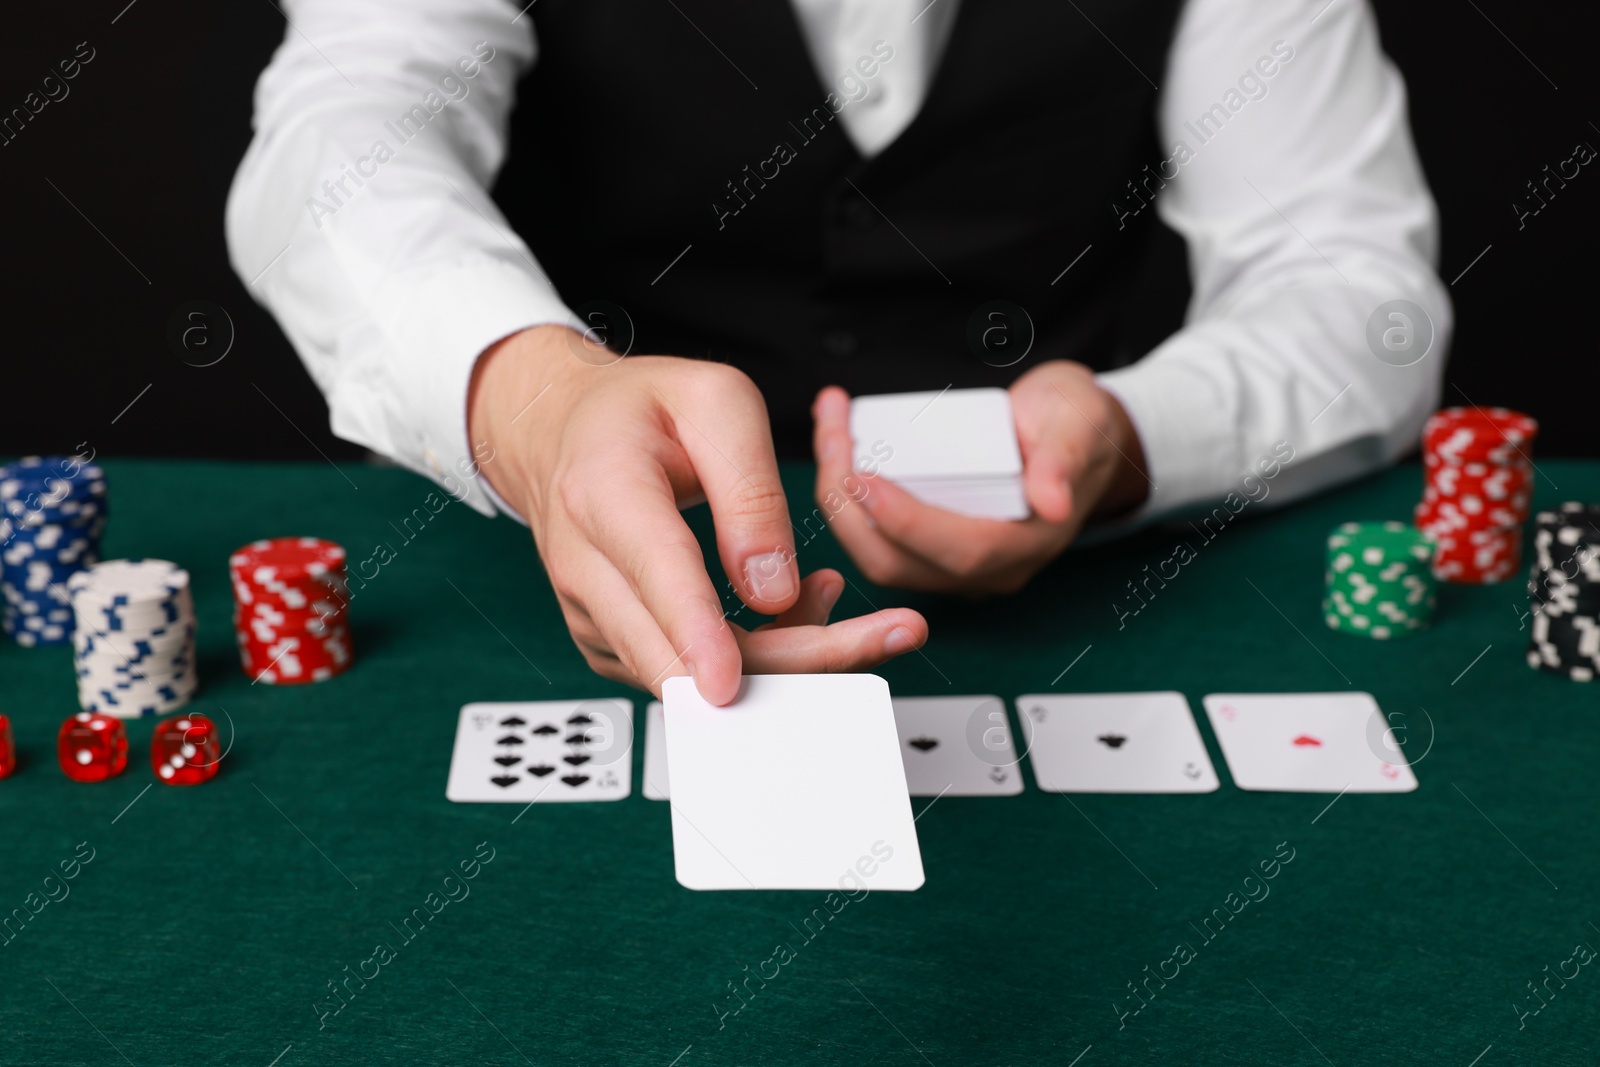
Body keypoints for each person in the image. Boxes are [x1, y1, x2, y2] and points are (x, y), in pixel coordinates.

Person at [227, 0, 1450, 704]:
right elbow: (336, 142)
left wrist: (1129, 440)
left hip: (1081, 609)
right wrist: (536, 403)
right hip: (531, 582)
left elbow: (1354, 285)